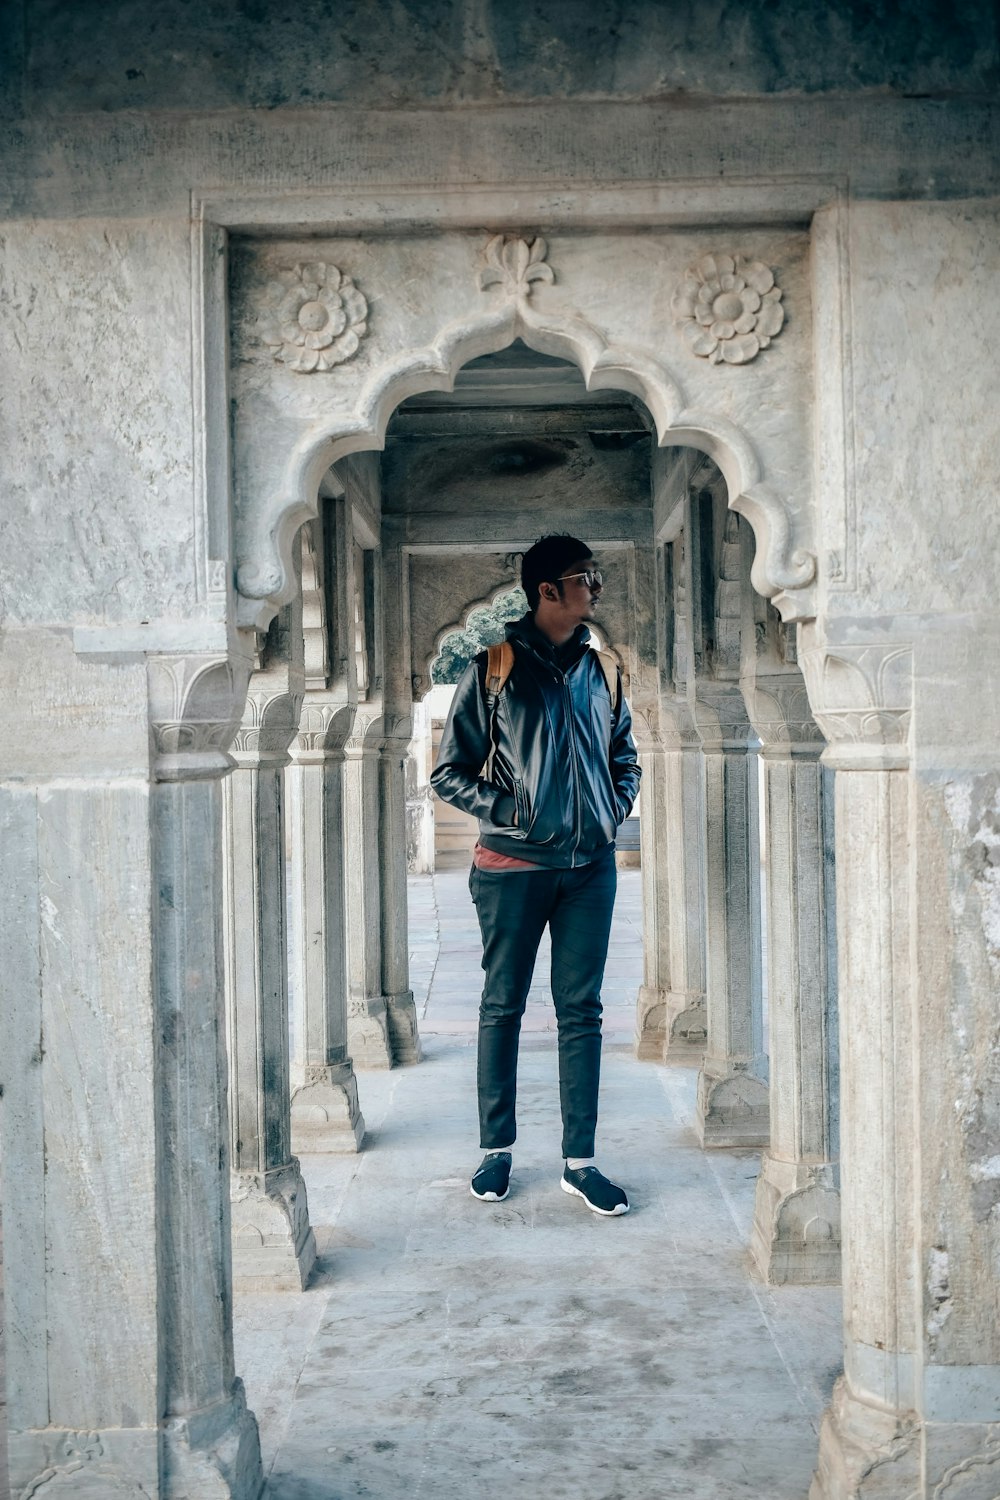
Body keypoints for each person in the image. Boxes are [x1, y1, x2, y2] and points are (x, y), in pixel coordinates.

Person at [430, 535, 641, 1216]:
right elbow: (448, 771)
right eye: (587, 579)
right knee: (503, 1004)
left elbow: (625, 757)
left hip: (588, 869)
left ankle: (580, 1162)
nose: (596, 590)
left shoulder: (602, 670)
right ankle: (497, 1151)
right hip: (513, 867)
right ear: (548, 590)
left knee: (582, 1012)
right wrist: (510, 810)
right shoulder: (493, 668)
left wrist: (611, 808)